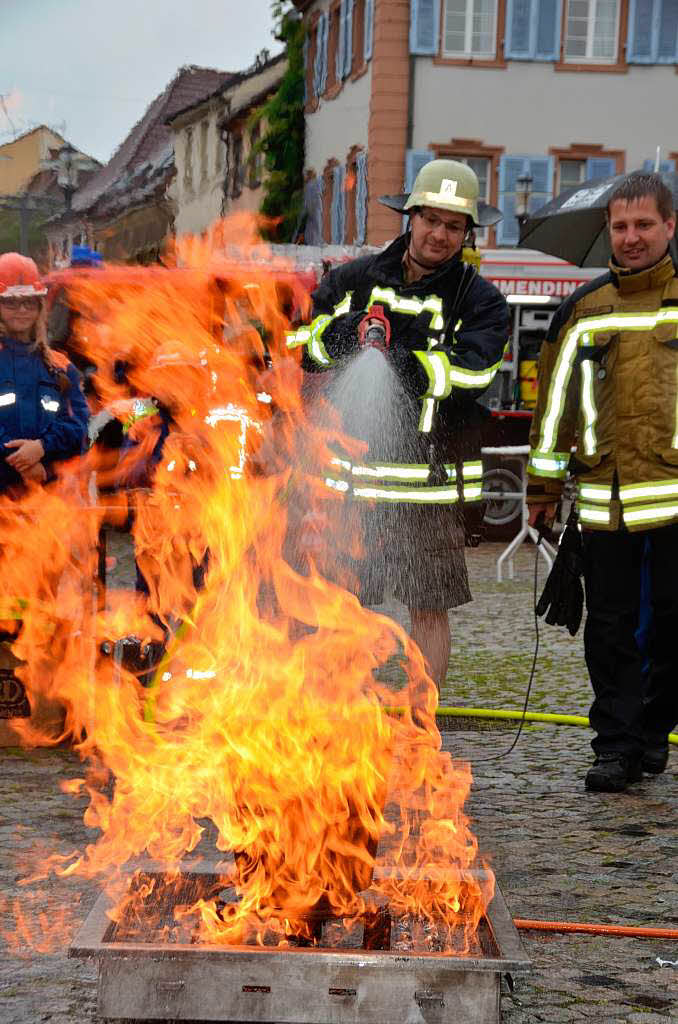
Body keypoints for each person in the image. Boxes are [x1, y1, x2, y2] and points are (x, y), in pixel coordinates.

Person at [286, 160, 510, 689]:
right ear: (410, 218)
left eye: (453, 226)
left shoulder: (481, 302)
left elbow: (475, 371)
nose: (439, 234)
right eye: (431, 220)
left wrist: (404, 359)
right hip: (353, 485)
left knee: (429, 608)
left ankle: (421, 720)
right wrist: (347, 334)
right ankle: (343, 715)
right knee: (343, 605)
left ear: (467, 233)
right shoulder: (354, 280)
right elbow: (301, 343)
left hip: (429, 490)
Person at [527, 171, 678, 792]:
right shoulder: (582, 310)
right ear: (607, 232)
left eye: (644, 224)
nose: (632, 237)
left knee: (672, 627)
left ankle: (652, 731)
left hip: (674, 500)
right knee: (609, 629)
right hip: (603, 501)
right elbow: (552, 408)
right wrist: (540, 491)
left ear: (670, 226)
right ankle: (614, 745)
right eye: (621, 226)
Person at [0, 253, 89, 494]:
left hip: (48, 500)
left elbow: (79, 425)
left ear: (40, 307)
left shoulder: (59, 366)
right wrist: (20, 461)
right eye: (11, 302)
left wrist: (41, 448)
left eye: (29, 302)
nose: (21, 310)